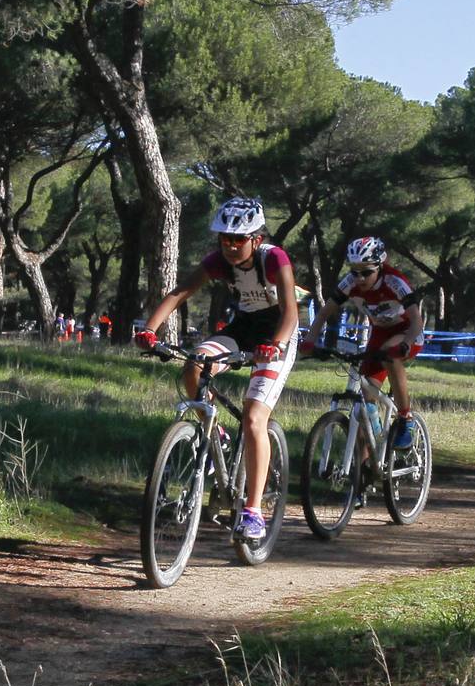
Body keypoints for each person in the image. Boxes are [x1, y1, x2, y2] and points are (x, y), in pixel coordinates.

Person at [134, 198, 299, 542]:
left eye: (238, 239)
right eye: (224, 239)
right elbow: (180, 292)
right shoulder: (218, 262)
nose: (230, 246)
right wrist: (149, 330)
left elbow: (291, 312)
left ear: (256, 238)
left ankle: (253, 512)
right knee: (195, 364)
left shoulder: (274, 258)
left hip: (278, 333)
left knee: (255, 418)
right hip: (243, 328)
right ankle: (216, 437)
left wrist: (278, 345)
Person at [299, 236, 426, 449]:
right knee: (364, 407)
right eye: (354, 271)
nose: (359, 278)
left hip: (407, 332)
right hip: (379, 334)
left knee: (390, 354)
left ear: (380, 266)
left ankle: (406, 419)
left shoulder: (395, 281)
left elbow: (416, 321)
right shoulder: (349, 283)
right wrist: (310, 341)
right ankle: (366, 471)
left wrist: (405, 343)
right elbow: (323, 314)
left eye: (366, 272)